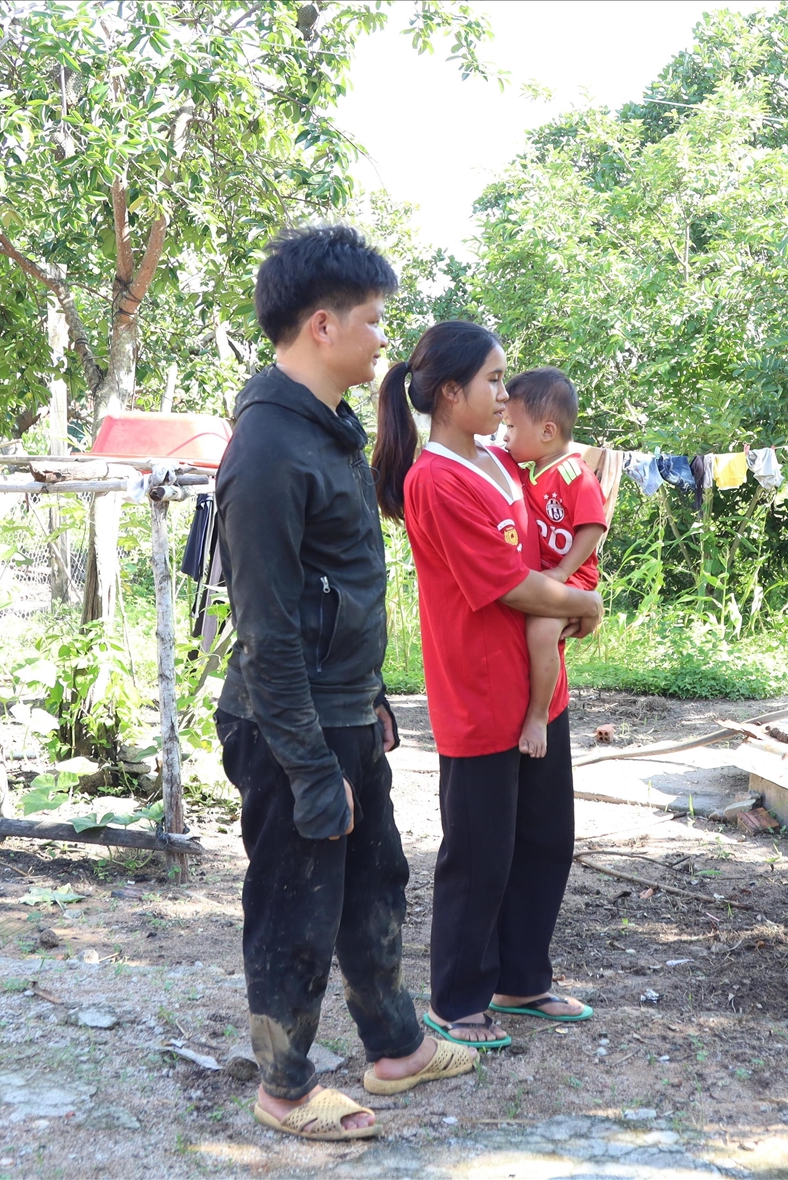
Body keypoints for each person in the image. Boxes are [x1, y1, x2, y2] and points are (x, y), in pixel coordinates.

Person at [214, 226, 475, 1142]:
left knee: (373, 883)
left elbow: (338, 590)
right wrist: (311, 764)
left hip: (342, 713)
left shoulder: (326, 430)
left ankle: (396, 1046)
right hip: (289, 727)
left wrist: (366, 703)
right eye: (372, 323)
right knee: (298, 903)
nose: (383, 342)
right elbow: (267, 630)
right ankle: (284, 1088)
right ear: (322, 325)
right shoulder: (269, 450)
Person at [373, 321, 604, 1051]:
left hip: (539, 691)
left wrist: (570, 588)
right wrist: (585, 605)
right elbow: (505, 585)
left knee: (545, 839)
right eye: (493, 382)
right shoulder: (433, 479)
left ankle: (521, 979)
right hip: (478, 694)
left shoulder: (504, 464)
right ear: (449, 393)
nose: (506, 396)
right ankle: (456, 998)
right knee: (480, 854)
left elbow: (546, 552)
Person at [498, 367, 607, 760]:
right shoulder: (529, 472)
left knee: (543, 631)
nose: (505, 436)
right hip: (543, 578)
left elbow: (593, 526)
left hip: (572, 577)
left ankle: (539, 717)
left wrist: (563, 571)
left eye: (510, 427)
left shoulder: (574, 473)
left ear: (546, 432)